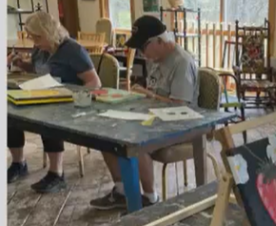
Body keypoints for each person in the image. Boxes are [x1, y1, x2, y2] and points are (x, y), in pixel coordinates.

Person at [90, 15, 198, 210]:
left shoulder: (181, 62)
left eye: (144, 47)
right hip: (154, 118)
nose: (142, 53)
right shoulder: (155, 59)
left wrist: (148, 95)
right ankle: (122, 191)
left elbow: (180, 106)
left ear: (160, 41)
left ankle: (150, 198)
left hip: (181, 124)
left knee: (134, 142)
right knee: (106, 137)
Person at [8, 11, 100, 193]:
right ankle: (19, 163)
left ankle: (56, 173)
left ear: (48, 32)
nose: (32, 40)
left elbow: (94, 83)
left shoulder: (72, 50)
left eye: (36, 36)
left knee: (47, 118)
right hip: (44, 94)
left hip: (69, 102)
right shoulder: (41, 49)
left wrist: (71, 96)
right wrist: (22, 64)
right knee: (10, 113)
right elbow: (38, 70)